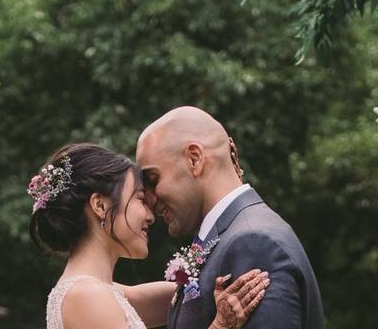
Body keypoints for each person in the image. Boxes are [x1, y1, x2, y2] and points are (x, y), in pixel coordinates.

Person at [31, 142, 270, 329]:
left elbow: (185, 294)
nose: (150, 215)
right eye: (140, 199)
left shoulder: (102, 291)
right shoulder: (87, 296)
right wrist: (221, 326)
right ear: (100, 205)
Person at [136, 107, 324, 329]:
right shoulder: (227, 240)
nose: (148, 199)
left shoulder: (253, 244)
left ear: (194, 159)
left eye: (153, 179)